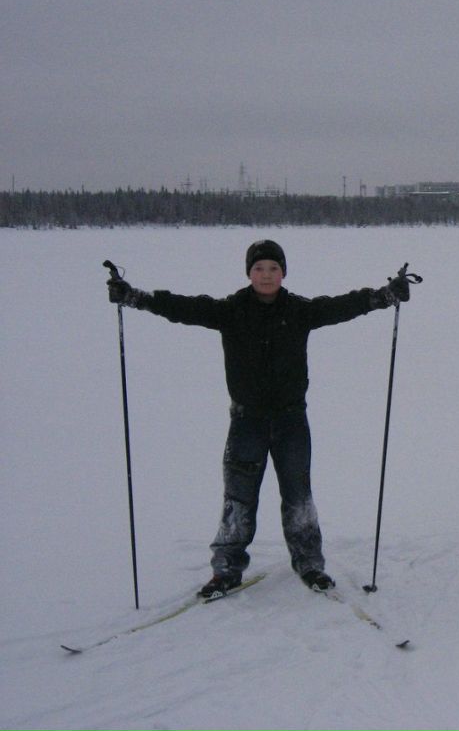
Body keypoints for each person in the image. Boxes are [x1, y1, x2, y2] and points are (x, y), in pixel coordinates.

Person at [106, 239, 413, 599]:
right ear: (249, 273)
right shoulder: (230, 310)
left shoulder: (299, 310)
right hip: (246, 422)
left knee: (298, 496)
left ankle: (309, 564)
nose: (266, 275)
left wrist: (384, 296)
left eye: (273, 268)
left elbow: (342, 306)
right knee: (238, 499)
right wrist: (134, 297)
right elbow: (182, 307)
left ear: (283, 273)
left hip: (291, 421)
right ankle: (226, 569)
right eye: (259, 269)